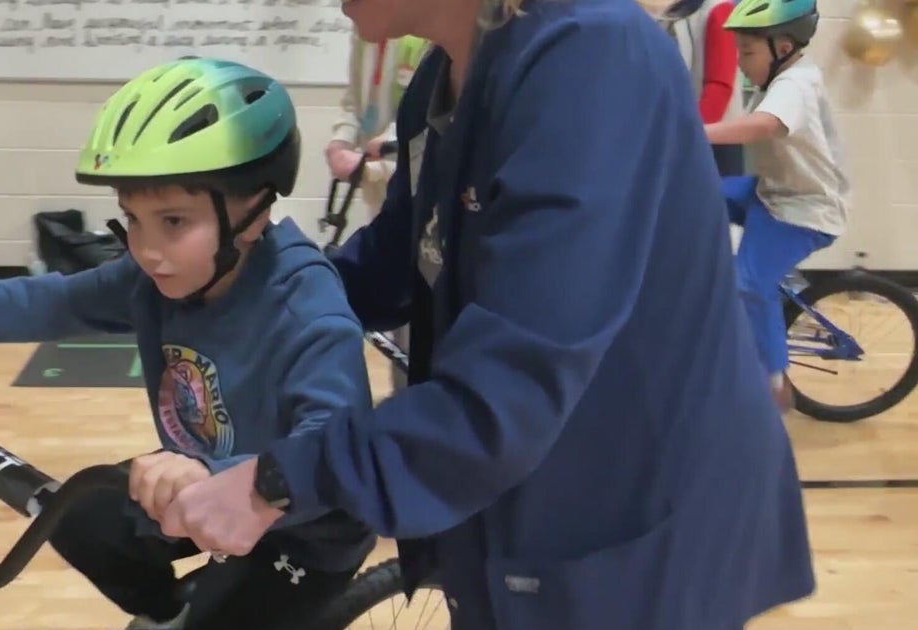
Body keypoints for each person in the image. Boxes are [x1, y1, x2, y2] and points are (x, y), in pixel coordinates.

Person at [154, 0, 817, 629]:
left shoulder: (592, 57)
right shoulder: (445, 79)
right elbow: (395, 261)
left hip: (638, 507)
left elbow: (508, 386)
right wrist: (228, 295)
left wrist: (277, 480)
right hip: (528, 490)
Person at [0, 57, 377, 630]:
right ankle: (169, 612)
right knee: (76, 514)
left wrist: (233, 479)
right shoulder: (158, 277)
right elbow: (49, 301)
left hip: (305, 522)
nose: (147, 249)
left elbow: (336, 444)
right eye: (132, 219)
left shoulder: (306, 308)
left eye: (174, 222)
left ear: (253, 214)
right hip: (196, 478)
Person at [704, 0, 848, 410]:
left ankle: (773, 385)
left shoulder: (795, 84)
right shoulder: (777, 78)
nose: (739, 63)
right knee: (699, 197)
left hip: (801, 211)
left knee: (748, 283)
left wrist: (695, 132)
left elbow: (766, 124)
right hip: (773, 190)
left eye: (747, 52)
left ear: (782, 48)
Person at [327, 33, 431, 390]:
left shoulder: (428, 37)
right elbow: (355, 102)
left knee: (420, 316)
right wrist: (341, 140)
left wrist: (380, 154)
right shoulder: (366, 30)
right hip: (381, 190)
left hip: (406, 182)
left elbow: (418, 130)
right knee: (396, 314)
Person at [660, 0, 746, 175]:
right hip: (682, 132)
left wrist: (686, 135)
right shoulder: (670, 12)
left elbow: (719, 88)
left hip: (713, 139)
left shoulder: (718, 10)